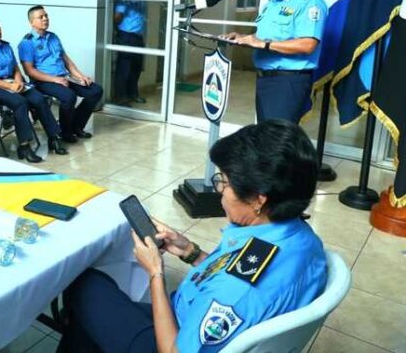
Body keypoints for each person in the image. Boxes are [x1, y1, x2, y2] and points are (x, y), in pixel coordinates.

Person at [59, 120, 327, 353]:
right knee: (89, 325)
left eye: (225, 182)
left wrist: (155, 272)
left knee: (85, 283)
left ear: (258, 200)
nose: (220, 191)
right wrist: (190, 251)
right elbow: (235, 272)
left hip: (172, 337)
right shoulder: (303, 239)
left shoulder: (236, 293)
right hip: (192, 322)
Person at [221, 0, 327, 124]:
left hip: (288, 82)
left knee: (277, 139)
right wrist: (244, 38)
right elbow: (265, 37)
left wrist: (263, 44)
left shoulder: (309, 2)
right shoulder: (274, 2)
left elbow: (308, 44)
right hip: (265, 79)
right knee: (267, 136)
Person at [0, 16, 68, 161]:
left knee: (38, 98)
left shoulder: (5, 46)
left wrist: (18, 81)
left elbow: (15, 68)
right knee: (20, 103)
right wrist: (10, 86)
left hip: (12, 83)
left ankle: (54, 137)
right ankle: (24, 146)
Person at [18, 5, 103, 143]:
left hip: (63, 77)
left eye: (46, 16)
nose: (45, 19)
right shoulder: (26, 43)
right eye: (41, 17)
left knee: (95, 90)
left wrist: (79, 75)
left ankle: (76, 126)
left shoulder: (53, 37)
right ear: (32, 22)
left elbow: (66, 60)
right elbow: (30, 71)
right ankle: (66, 132)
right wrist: (54, 79)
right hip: (43, 81)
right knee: (69, 96)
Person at [114, 0, 150, 105]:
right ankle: (121, 97)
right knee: (124, 68)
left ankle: (133, 94)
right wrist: (118, 30)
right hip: (126, 36)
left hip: (137, 36)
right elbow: (117, 16)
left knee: (136, 67)